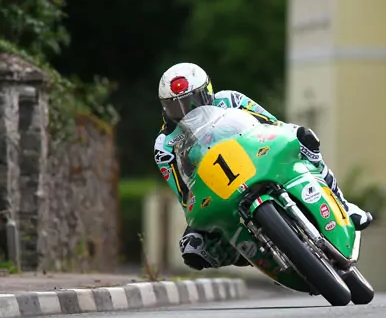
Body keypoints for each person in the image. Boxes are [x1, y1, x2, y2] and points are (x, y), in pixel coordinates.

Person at [153, 62, 374, 271]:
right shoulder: (164, 144)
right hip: (216, 186)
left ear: (207, 91)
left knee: (305, 138)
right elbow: (184, 193)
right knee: (193, 246)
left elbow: (272, 124)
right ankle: (242, 249)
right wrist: (196, 225)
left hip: (256, 157)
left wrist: (292, 136)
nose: (186, 111)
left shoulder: (230, 99)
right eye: (175, 106)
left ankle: (343, 205)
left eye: (192, 101)